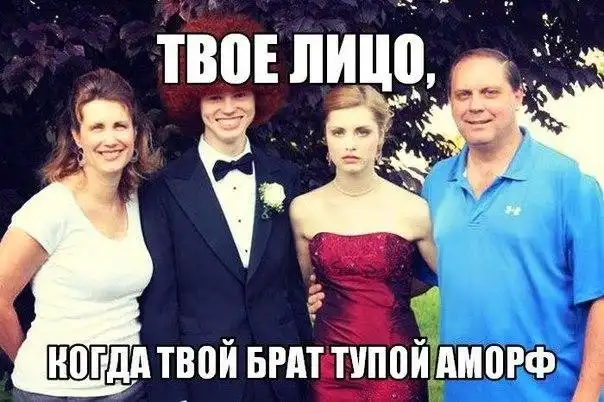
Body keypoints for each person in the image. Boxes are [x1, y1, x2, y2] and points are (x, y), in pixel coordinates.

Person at [310, 48, 604, 401]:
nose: (475, 106)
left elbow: (599, 299)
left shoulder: (568, 184)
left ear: (518, 96)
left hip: (549, 392)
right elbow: (419, 276)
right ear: (450, 103)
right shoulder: (439, 181)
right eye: (463, 94)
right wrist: (342, 287)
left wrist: (587, 395)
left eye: (489, 92)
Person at [139, 13, 313, 402]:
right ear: (194, 101)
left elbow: (290, 287)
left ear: (259, 96)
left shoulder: (285, 177)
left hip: (281, 377)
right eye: (215, 96)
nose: (229, 108)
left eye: (240, 94)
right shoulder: (164, 189)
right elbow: (161, 304)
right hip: (206, 381)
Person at [0, 68, 162, 401]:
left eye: (120, 125)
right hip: (54, 393)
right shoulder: (51, 209)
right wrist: (27, 363)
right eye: (96, 127)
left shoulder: (136, 200)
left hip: (128, 389)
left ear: (135, 133)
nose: (110, 139)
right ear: (77, 137)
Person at [289, 84, 437, 402]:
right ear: (326, 138)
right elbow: (294, 289)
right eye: (338, 132)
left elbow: (452, 276)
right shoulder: (303, 210)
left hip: (394, 363)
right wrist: (310, 303)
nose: (350, 144)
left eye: (362, 131)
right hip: (329, 366)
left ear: (381, 136)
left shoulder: (414, 209)